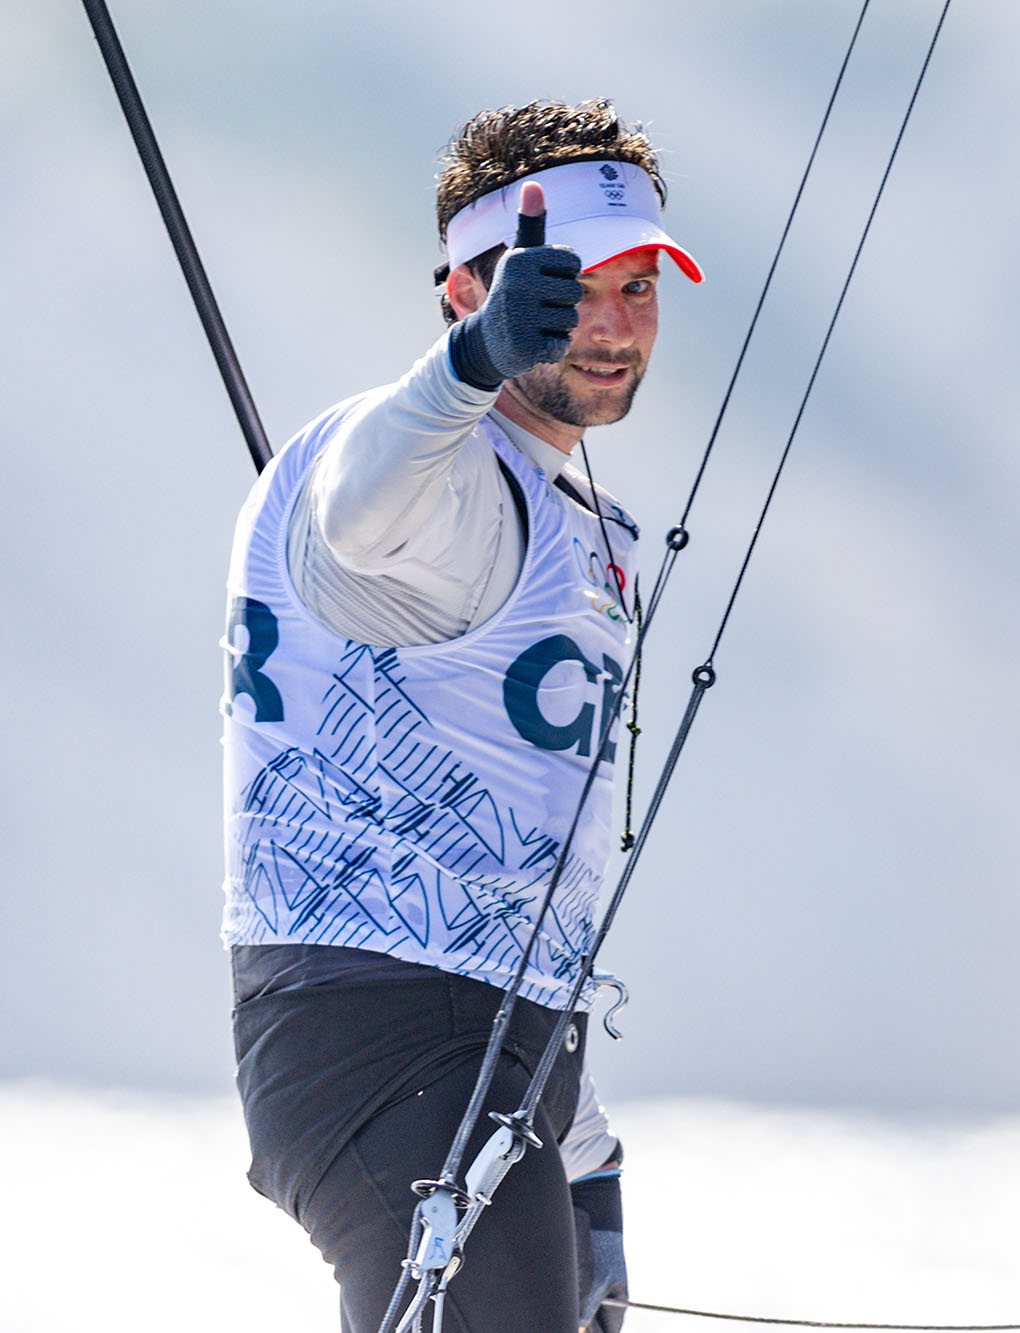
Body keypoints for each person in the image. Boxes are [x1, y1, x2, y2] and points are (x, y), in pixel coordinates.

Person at [220, 99, 702, 1332]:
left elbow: (532, 861)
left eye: (637, 287)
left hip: (494, 1042)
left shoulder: (559, 505)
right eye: (566, 289)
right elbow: (358, 517)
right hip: (386, 1034)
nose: (611, 324)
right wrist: (473, 364)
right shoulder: (425, 473)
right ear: (465, 291)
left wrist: (582, 1143)